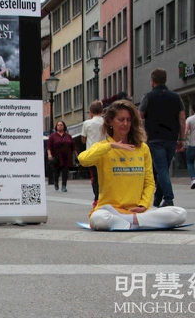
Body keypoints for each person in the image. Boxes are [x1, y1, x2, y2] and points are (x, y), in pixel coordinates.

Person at [78, 100, 187, 231]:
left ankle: (129, 221)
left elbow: (149, 182)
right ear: (110, 122)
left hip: (138, 211)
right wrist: (111, 145)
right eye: (121, 119)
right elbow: (83, 159)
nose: (125, 124)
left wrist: (143, 205)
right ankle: (137, 222)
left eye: (129, 120)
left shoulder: (142, 148)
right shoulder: (103, 147)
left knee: (180, 214)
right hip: (110, 210)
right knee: (99, 219)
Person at [139, 68, 186, 207]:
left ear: (152, 81)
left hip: (154, 138)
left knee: (161, 169)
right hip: (171, 138)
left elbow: (138, 115)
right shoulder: (176, 97)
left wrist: (140, 134)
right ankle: (157, 198)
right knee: (163, 168)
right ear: (165, 80)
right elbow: (182, 119)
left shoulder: (148, 96)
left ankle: (168, 198)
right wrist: (181, 139)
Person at [81, 100, 104, 207]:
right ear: (102, 111)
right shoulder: (106, 122)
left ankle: (96, 198)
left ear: (90, 112)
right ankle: (104, 197)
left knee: (94, 177)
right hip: (104, 152)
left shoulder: (87, 123)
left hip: (91, 153)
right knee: (104, 176)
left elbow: (83, 139)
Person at [47, 120, 78, 192]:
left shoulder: (68, 136)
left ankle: (64, 185)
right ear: (56, 127)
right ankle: (56, 182)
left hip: (67, 156)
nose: (60, 126)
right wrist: (49, 154)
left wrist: (77, 155)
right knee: (56, 171)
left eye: (61, 125)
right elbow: (49, 146)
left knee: (65, 171)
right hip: (56, 156)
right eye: (58, 125)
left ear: (64, 126)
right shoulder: (52, 136)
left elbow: (73, 147)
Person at [185, 106, 195, 189]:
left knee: (190, 162)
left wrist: (182, 141)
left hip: (192, 144)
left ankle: (193, 179)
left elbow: (186, 131)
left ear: (192, 110)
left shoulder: (190, 119)